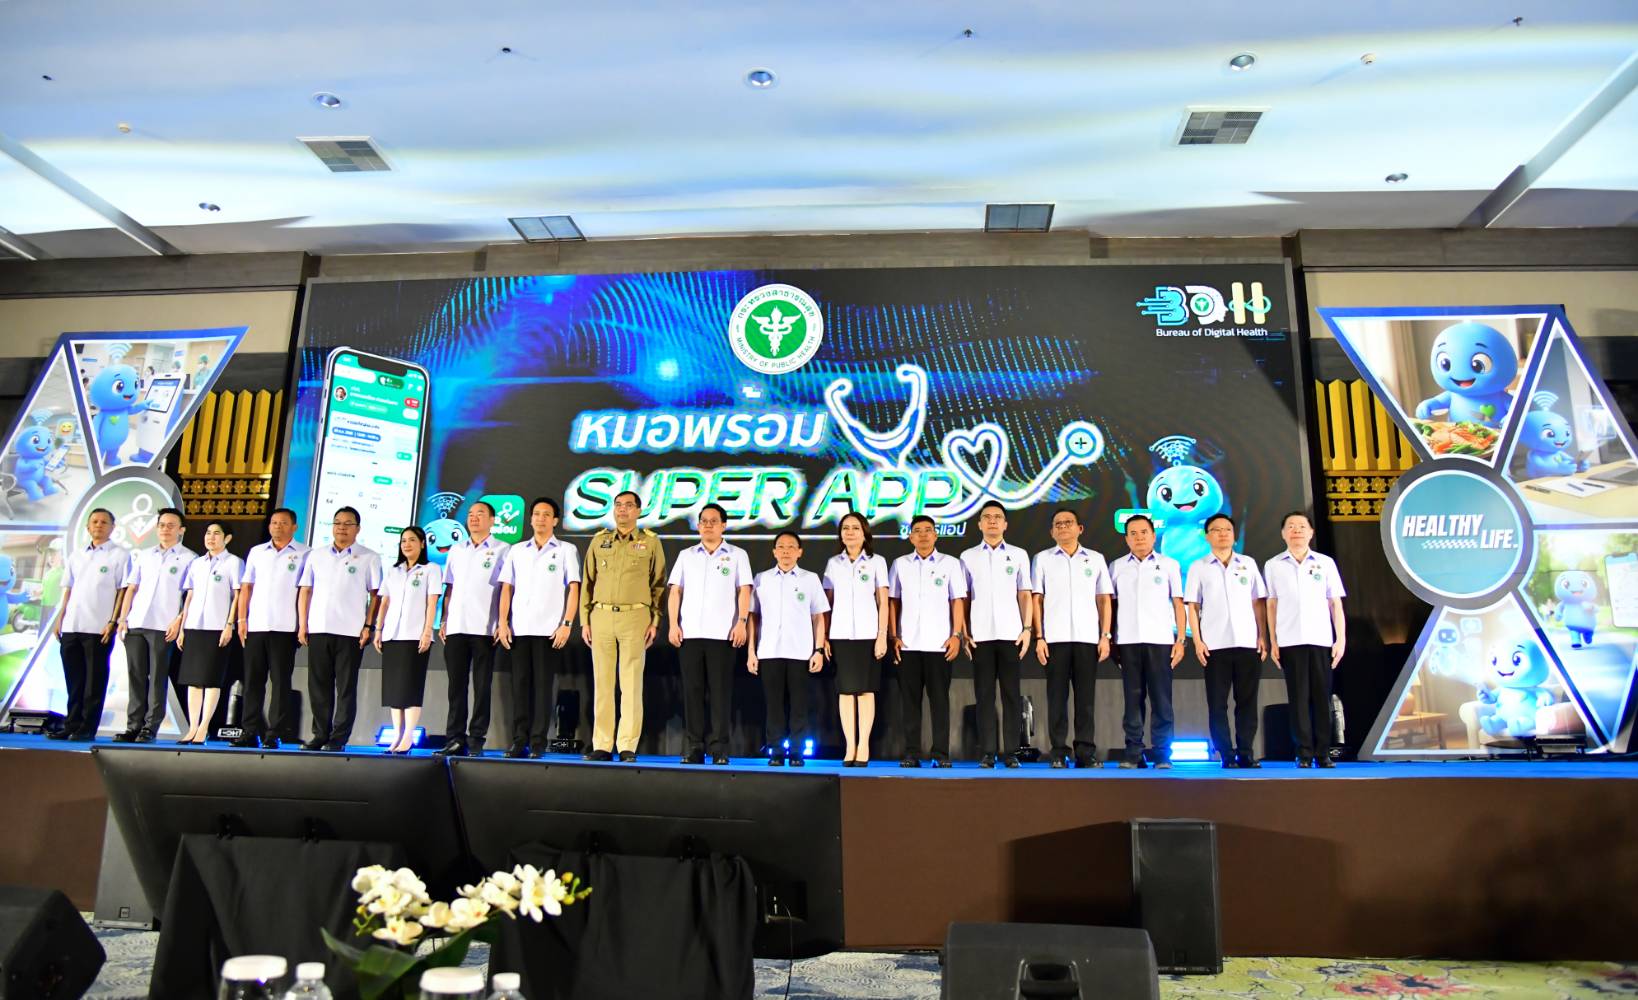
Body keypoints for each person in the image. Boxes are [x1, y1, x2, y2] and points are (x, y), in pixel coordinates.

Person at [579, 490, 665, 763]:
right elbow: (587, 582)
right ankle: (602, 744)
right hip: (601, 615)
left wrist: (655, 621)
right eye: (618, 505)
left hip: (635, 616)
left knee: (631, 683)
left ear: (638, 511)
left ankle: (627, 744)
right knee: (603, 684)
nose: (622, 510)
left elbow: (658, 585)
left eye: (629, 505)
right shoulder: (599, 540)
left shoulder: (650, 541)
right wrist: (585, 620)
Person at [667, 503, 753, 765]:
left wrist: (741, 622)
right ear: (698, 525)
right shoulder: (686, 555)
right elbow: (675, 591)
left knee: (720, 693)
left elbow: (744, 590)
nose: (707, 525)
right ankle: (694, 746)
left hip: (723, 635)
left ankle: (719, 748)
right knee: (692, 692)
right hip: (690, 633)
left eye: (713, 521)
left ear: (723, 525)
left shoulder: (737, 555)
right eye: (703, 521)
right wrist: (673, 624)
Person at [496, 497, 580, 758]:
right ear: (530, 519)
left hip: (549, 631)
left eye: (546, 514)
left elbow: (574, 588)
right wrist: (503, 622)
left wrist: (567, 624)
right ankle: (518, 740)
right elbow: (506, 588)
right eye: (536, 514)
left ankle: (537, 742)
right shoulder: (517, 550)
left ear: (555, 520)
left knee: (543, 687)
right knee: (520, 686)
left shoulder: (566, 549)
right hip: (519, 629)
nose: (540, 518)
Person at [1264, 511, 1348, 769]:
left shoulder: (1325, 563)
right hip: (1290, 641)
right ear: (1283, 534)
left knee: (1322, 698)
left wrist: (1340, 639)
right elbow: (1271, 604)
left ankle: (1323, 753)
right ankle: (1303, 753)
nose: (1296, 530)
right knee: (1298, 699)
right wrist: (1273, 641)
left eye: (1301, 526)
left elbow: (1335, 604)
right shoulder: (1273, 565)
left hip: (1321, 640)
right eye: (1291, 526)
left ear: (1311, 532)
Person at [1031, 507, 1113, 769]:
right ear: (1052, 532)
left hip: (1088, 639)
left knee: (1085, 700)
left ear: (1080, 528)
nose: (1063, 527)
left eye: (1068, 522)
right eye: (1058, 524)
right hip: (1054, 639)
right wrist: (1039, 637)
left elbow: (1104, 599)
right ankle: (1058, 750)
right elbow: (1037, 599)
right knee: (1057, 698)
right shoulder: (1042, 559)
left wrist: (1105, 635)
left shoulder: (1095, 559)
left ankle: (1085, 751)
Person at [1184, 514, 1268, 769]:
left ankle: (1246, 752)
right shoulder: (1199, 566)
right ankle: (1226, 754)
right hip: (1214, 645)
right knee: (1217, 704)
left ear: (1234, 535)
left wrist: (1262, 635)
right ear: (1207, 536)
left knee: (1247, 702)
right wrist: (1198, 641)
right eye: (1216, 530)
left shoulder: (1248, 563)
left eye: (1227, 529)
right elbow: (1193, 606)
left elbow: (1258, 602)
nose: (1223, 534)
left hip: (1247, 643)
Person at [297, 506, 381, 751]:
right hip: (319, 628)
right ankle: (320, 734)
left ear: (358, 528)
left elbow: (375, 595)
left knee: (345, 687)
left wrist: (368, 625)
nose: (342, 528)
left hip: (351, 632)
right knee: (318, 686)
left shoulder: (369, 557)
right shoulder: (316, 555)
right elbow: (306, 590)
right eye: (337, 523)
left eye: (347, 523)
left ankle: (339, 738)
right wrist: (303, 624)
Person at [890, 515, 968, 768]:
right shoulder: (900, 564)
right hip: (908, 645)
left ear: (936, 535)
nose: (923, 535)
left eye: (928, 530)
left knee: (940, 702)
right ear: (910, 536)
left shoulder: (951, 564)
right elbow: (893, 602)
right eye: (917, 531)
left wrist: (957, 635)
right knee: (910, 703)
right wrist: (894, 636)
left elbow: (957, 601)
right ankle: (911, 753)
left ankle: (941, 754)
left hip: (940, 645)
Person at [959, 502, 1032, 769]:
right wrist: (964, 632)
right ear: (979, 524)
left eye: (997, 517)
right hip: (980, 636)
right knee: (984, 696)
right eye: (987, 517)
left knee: (1012, 695)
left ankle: (1011, 752)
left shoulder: (1018, 554)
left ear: (1005, 524)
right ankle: (988, 752)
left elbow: (1025, 594)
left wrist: (1027, 629)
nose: (992, 521)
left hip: (1011, 634)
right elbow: (963, 598)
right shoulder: (967, 557)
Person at [1109, 514, 1185, 769]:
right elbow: (1111, 605)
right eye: (1133, 533)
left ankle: (1162, 753)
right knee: (1133, 699)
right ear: (1126, 538)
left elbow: (1178, 603)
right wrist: (1110, 639)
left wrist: (1180, 640)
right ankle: (1134, 752)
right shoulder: (1117, 566)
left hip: (1160, 640)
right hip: (1127, 641)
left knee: (1162, 700)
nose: (1139, 537)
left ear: (1153, 536)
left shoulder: (1169, 564)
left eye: (1144, 532)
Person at [747, 531, 829, 767]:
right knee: (773, 705)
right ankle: (775, 750)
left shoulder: (810, 579)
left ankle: (796, 751)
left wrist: (818, 650)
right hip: (769, 651)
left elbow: (818, 617)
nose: (786, 551)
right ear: (774, 552)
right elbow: (753, 617)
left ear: (799, 552)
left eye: (791, 547)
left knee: (799, 706)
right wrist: (751, 651)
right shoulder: (762, 579)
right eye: (781, 547)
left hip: (800, 652)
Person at [113, 507, 193, 743]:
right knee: (136, 676)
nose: (165, 529)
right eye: (162, 525)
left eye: (171, 525)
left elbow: (191, 595)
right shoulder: (145, 555)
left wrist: (179, 621)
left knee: (158, 676)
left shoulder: (190, 558)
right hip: (136, 622)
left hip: (163, 625)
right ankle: (133, 726)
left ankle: (150, 727)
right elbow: (132, 588)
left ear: (181, 530)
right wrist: (123, 618)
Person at [437, 501, 509, 757]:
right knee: (456, 687)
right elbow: (449, 587)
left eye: (480, 514)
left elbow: (507, 589)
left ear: (492, 520)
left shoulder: (503, 549)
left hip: (485, 628)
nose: (474, 518)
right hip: (456, 626)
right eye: (470, 514)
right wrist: (444, 619)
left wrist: (503, 622)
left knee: (482, 686)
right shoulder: (457, 549)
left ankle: (476, 738)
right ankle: (454, 738)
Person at [51, 508, 130, 740]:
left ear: (112, 528)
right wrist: (60, 617)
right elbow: (68, 589)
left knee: (94, 681)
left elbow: (122, 590)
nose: (99, 525)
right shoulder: (76, 555)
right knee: (74, 679)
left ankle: (87, 728)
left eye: (104, 522)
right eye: (94, 521)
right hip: (72, 625)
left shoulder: (120, 555)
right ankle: (71, 724)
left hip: (99, 627)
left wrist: (113, 621)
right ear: (87, 527)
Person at [234, 508, 309, 748]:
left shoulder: (305, 553)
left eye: (283, 523)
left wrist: (303, 625)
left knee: (280, 682)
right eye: (274, 522)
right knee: (252, 682)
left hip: (286, 628)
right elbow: (246, 587)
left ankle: (274, 733)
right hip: (256, 625)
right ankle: (249, 731)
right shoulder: (257, 552)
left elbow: (307, 592)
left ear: (294, 527)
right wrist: (241, 620)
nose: (278, 526)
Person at [823, 510, 889, 767]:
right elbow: (827, 603)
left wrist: (882, 636)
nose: (850, 532)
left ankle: (864, 745)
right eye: (845, 528)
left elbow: (883, 602)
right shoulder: (833, 563)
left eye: (855, 528)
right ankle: (850, 745)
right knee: (845, 692)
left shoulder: (877, 562)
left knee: (865, 691)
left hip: (868, 634)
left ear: (864, 533)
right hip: (840, 634)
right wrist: (824, 637)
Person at [374, 526, 442, 755]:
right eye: (403, 540)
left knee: (411, 687)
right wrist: (378, 629)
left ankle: (408, 736)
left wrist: (427, 631)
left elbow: (432, 602)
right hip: (392, 634)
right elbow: (384, 602)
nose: (407, 544)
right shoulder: (393, 570)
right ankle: (397, 735)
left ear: (422, 543)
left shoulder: (431, 569)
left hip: (415, 635)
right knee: (394, 689)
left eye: (412, 540)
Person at [174, 521, 242, 744]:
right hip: (194, 626)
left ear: (227, 538)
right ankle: (192, 727)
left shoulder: (233, 562)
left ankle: (204, 727)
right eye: (208, 533)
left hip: (217, 627)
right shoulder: (196, 563)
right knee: (193, 680)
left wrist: (229, 624)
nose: (211, 537)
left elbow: (237, 596)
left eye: (216, 533)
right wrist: (182, 627)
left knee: (212, 679)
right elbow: (190, 596)